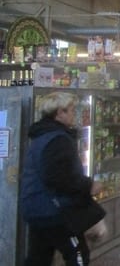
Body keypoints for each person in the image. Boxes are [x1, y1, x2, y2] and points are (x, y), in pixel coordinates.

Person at [20, 92, 103, 266]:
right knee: (77, 254)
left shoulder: (40, 137)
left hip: (36, 208)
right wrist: (89, 185)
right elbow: (60, 177)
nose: (74, 115)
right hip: (56, 211)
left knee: (38, 257)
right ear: (59, 113)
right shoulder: (58, 139)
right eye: (71, 110)